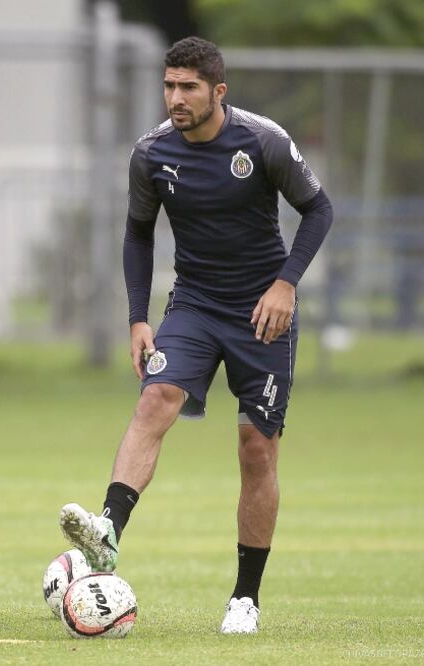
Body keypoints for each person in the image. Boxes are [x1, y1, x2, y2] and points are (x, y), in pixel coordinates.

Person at [59, 36, 332, 635]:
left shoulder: (262, 141)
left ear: (218, 92)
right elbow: (137, 234)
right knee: (155, 397)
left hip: (263, 313)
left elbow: (319, 210)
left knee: (256, 450)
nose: (175, 98)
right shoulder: (151, 153)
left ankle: (245, 597)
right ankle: (107, 529)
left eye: (188, 87)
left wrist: (285, 285)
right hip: (195, 306)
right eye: (169, 86)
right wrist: (138, 316)